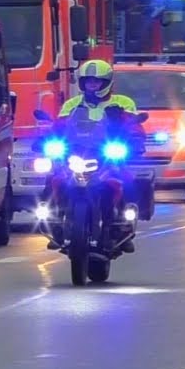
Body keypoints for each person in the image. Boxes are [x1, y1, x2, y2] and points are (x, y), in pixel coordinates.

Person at [46, 59, 141, 253]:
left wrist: (129, 131)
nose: (92, 85)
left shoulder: (123, 102)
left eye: (97, 82)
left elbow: (135, 128)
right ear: (82, 83)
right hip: (76, 153)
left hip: (107, 154)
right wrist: (47, 140)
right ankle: (53, 221)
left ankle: (124, 226)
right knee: (55, 178)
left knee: (126, 180)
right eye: (89, 81)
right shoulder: (72, 104)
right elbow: (59, 127)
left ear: (107, 82)